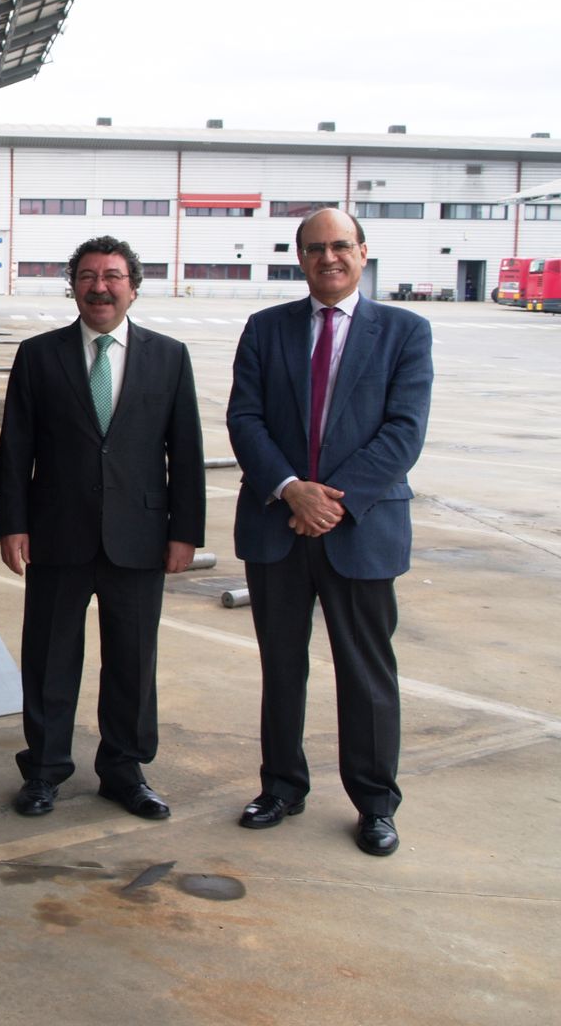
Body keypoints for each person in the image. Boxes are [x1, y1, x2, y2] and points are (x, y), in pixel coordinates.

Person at [226, 207, 432, 857]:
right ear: (301, 258)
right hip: (277, 526)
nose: (329, 257)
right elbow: (245, 419)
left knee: (366, 674)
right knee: (282, 669)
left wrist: (332, 502)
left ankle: (375, 802)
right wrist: (292, 489)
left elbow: (404, 431)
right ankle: (281, 786)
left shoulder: (405, 332)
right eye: (315, 248)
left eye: (340, 245)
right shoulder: (265, 329)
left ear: (363, 253)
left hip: (360, 529)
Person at [0, 236, 205, 821]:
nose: (100, 287)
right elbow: (15, 448)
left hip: (140, 537)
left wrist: (185, 531)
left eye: (112, 276)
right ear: (74, 287)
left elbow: (185, 450)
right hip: (57, 532)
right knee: (50, 657)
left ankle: (124, 769)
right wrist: (13, 524)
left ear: (133, 287)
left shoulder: (169, 357)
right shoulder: (40, 356)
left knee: (133, 661)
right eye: (87, 276)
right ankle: (44, 770)